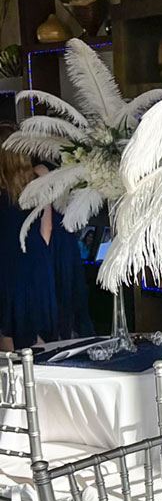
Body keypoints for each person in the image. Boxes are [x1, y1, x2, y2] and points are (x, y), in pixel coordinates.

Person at [0, 123, 93, 351]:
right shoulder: (40, 178)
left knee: (6, 330)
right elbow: (47, 231)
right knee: (37, 335)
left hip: (5, 267)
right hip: (34, 266)